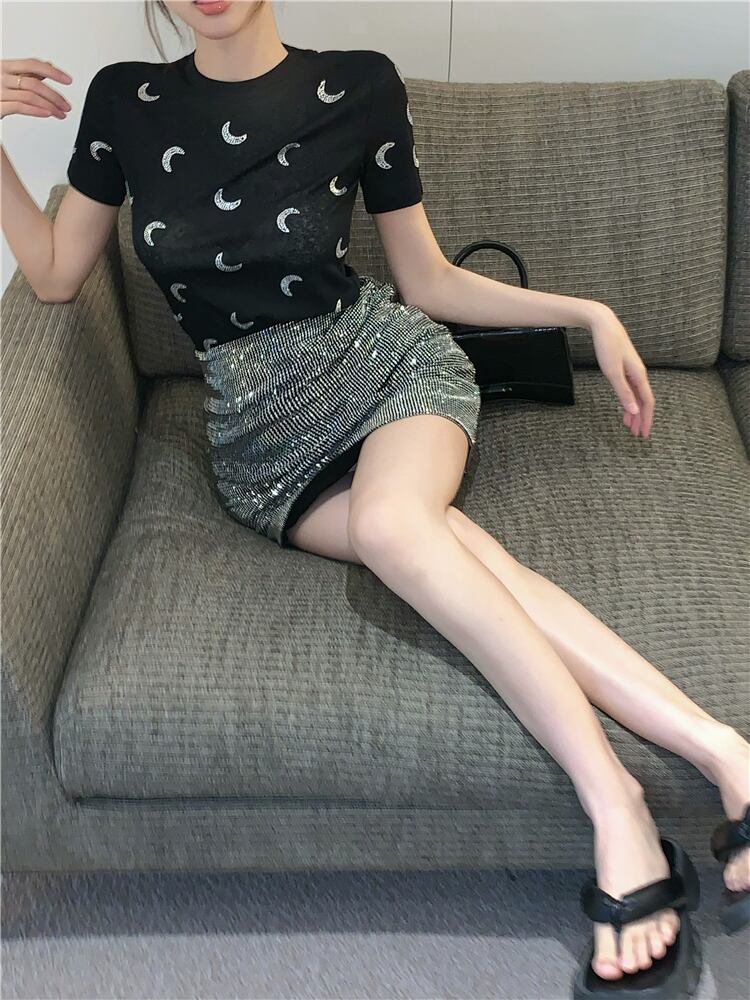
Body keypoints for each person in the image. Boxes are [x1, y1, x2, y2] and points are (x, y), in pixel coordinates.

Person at [1, 1, 747, 994]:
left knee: (399, 527)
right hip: (263, 446)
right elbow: (55, 275)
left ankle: (616, 806)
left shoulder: (355, 82)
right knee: (458, 556)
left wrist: (587, 311)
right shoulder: (124, 101)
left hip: (390, 372)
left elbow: (426, 279)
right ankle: (725, 751)